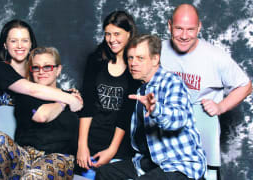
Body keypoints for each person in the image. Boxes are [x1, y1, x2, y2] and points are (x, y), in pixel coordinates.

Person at [160, 4, 252, 180]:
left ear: (199, 27)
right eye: (179, 28)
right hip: (168, 134)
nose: (184, 36)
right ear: (169, 25)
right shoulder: (159, 50)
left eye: (190, 29)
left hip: (201, 132)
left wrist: (221, 106)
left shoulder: (215, 57)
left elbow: (245, 85)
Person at [95, 34, 206, 180]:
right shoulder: (140, 88)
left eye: (140, 58)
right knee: (105, 173)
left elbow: (178, 118)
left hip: (179, 164)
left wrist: (156, 110)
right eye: (130, 58)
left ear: (155, 59)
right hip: (149, 162)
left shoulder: (171, 82)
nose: (133, 63)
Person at [0, 19, 82, 170]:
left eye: (24, 40)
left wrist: (67, 94)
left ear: (31, 44)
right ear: (5, 45)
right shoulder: (2, 69)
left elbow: (46, 94)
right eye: (14, 41)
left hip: (25, 141)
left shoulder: (35, 71)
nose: (20, 45)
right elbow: (33, 90)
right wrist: (68, 97)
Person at [0, 47, 79, 180]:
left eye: (47, 67)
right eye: (36, 67)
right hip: (25, 156)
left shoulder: (75, 97)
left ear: (58, 70)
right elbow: (41, 116)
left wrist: (71, 98)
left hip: (58, 159)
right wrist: (64, 100)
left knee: (33, 176)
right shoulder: (26, 96)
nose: (41, 72)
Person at [76, 10, 140, 174]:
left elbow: (127, 114)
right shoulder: (95, 60)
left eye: (117, 33)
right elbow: (88, 104)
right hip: (91, 140)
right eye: (107, 34)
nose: (112, 39)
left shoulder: (136, 66)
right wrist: (82, 146)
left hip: (119, 146)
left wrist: (112, 151)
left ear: (129, 33)